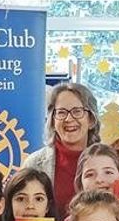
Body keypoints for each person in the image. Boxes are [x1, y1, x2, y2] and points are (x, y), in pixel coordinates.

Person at [22, 82, 101, 210]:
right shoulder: (34, 164)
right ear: (52, 121)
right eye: (61, 112)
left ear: (91, 120)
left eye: (77, 111)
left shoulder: (109, 161)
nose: (69, 119)